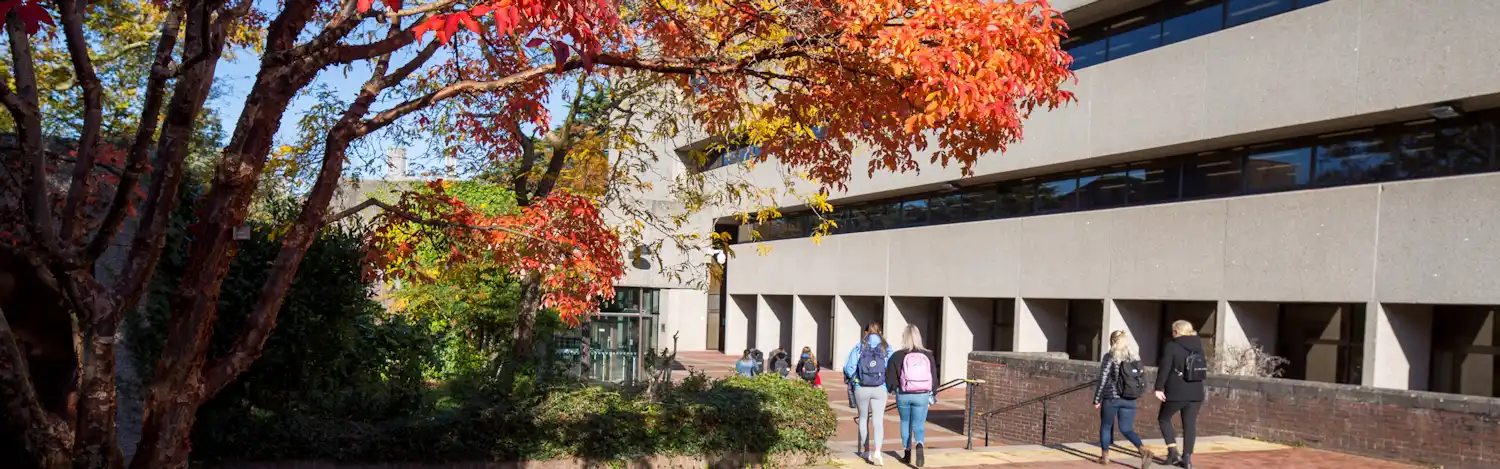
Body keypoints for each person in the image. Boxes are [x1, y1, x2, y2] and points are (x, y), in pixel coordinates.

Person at [1093, 330, 1152, 468]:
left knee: (1106, 426)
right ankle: (1143, 451)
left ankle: (1105, 458)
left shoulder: (1110, 357)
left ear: (1112, 341)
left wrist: (1097, 399)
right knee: (1126, 429)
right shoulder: (1134, 357)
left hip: (1112, 397)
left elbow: (1103, 379)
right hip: (1129, 398)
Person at [1155, 320, 1208, 469]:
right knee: (1190, 424)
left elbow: (1165, 368)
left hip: (1177, 391)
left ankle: (1172, 452)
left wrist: (1159, 388)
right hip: (1196, 391)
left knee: (1163, 418)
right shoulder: (1198, 346)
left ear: (1176, 332)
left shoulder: (1172, 346)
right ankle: (1187, 459)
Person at [886, 324, 938, 467]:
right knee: (919, 424)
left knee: (905, 422)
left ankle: (907, 453)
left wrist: (893, 389)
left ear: (904, 337)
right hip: (922, 394)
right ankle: (919, 444)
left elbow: (890, 377)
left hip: (903, 393)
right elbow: (933, 376)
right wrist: (933, 392)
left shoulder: (897, 356)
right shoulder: (927, 354)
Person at [844, 323, 895, 466]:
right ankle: (877, 452)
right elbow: (892, 367)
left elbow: (849, 368)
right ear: (880, 332)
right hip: (880, 387)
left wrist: (856, 380)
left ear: (866, 332)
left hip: (861, 387)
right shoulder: (886, 347)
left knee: (863, 419)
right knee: (878, 422)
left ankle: (866, 451)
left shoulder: (859, 346)